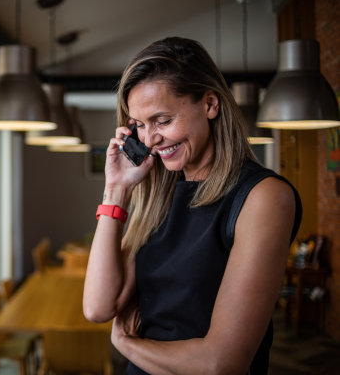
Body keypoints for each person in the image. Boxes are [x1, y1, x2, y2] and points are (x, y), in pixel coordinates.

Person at [83, 37, 301, 375]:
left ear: (210, 104)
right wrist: (115, 190)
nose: (149, 139)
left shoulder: (264, 197)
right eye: (139, 125)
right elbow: (98, 307)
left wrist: (127, 344)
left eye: (163, 120)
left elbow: (220, 364)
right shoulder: (157, 196)